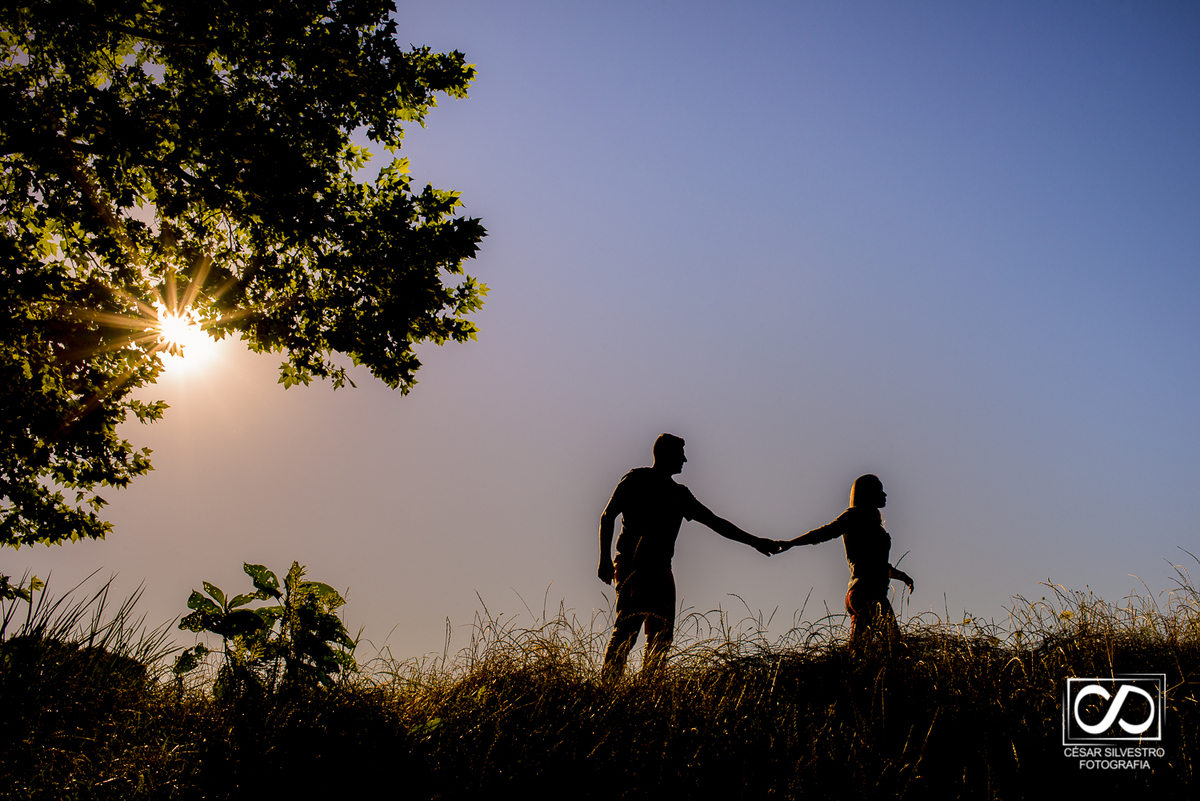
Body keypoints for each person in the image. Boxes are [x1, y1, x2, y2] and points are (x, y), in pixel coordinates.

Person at [598, 434, 776, 679]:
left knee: (661, 637)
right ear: (664, 455)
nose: (685, 459)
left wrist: (755, 542)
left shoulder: (678, 494)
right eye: (679, 454)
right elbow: (608, 516)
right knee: (627, 631)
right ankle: (608, 685)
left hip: (661, 569)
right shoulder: (635, 480)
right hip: (632, 566)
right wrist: (605, 560)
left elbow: (715, 522)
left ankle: (648, 690)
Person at [776, 474, 914, 644]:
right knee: (894, 646)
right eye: (879, 490)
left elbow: (876, 565)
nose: (884, 495)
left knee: (863, 649)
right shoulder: (854, 517)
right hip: (865, 594)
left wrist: (901, 576)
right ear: (867, 494)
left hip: (870, 594)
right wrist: (792, 543)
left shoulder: (873, 524)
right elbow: (824, 533)